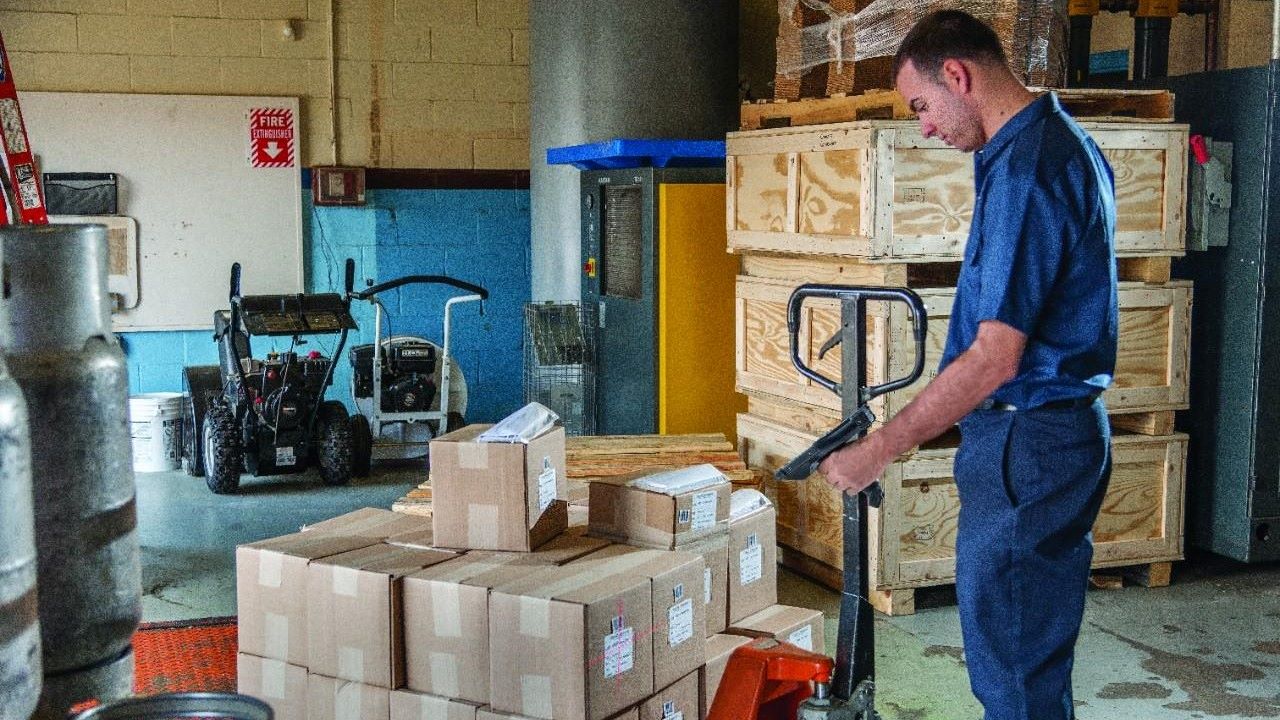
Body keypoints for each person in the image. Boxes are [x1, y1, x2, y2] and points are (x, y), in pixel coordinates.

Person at [817, 10, 1118, 720]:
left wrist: (881, 449)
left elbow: (995, 356)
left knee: (1014, 669)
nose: (923, 126)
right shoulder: (1049, 148)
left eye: (921, 105)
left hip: (1030, 443)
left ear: (958, 75)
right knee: (1022, 658)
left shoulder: (1031, 169)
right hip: (1033, 442)